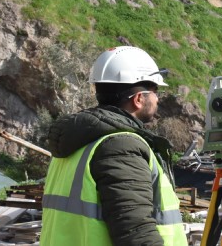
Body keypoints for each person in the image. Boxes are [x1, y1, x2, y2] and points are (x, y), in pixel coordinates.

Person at [40, 46, 188, 246]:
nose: (157, 98)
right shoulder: (121, 147)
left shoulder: (78, 141)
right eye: (155, 91)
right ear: (138, 99)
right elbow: (136, 232)